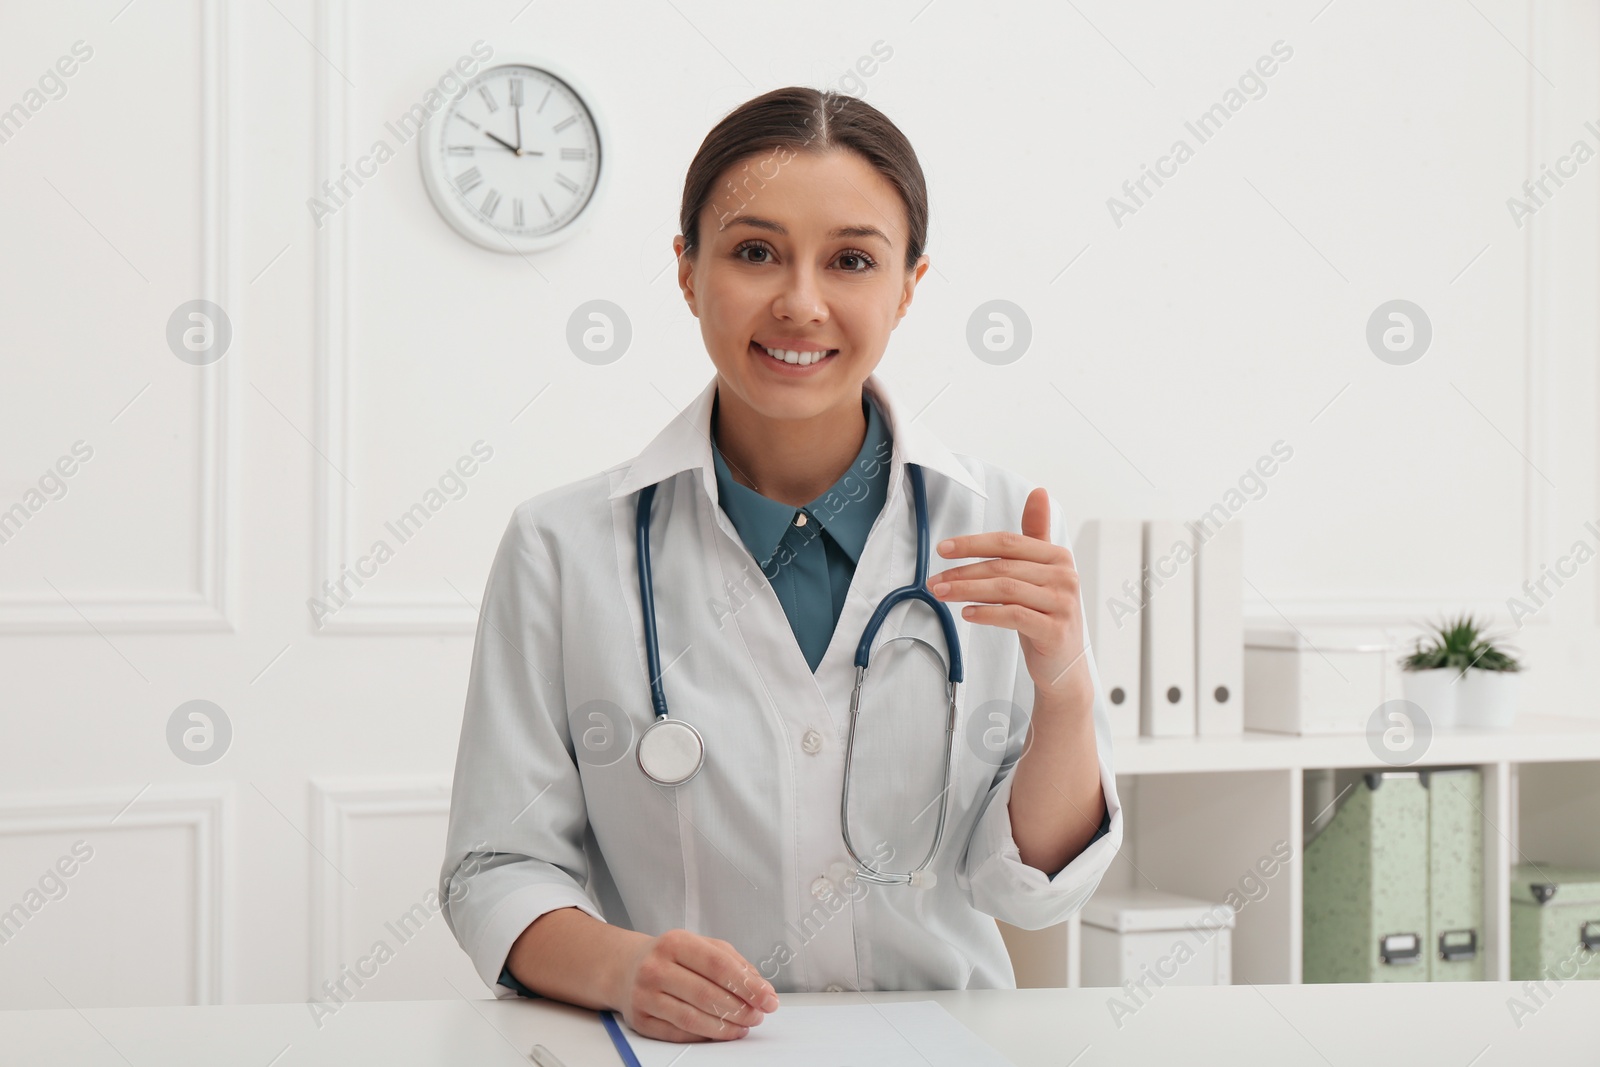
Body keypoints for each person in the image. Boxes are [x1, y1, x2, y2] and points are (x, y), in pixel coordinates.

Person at [439, 85, 1121, 1045]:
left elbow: (1029, 890)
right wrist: (622, 968)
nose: (800, 303)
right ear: (686, 270)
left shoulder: (998, 527)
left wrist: (1066, 692)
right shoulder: (561, 548)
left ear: (910, 284)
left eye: (851, 260)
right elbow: (495, 868)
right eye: (754, 252)